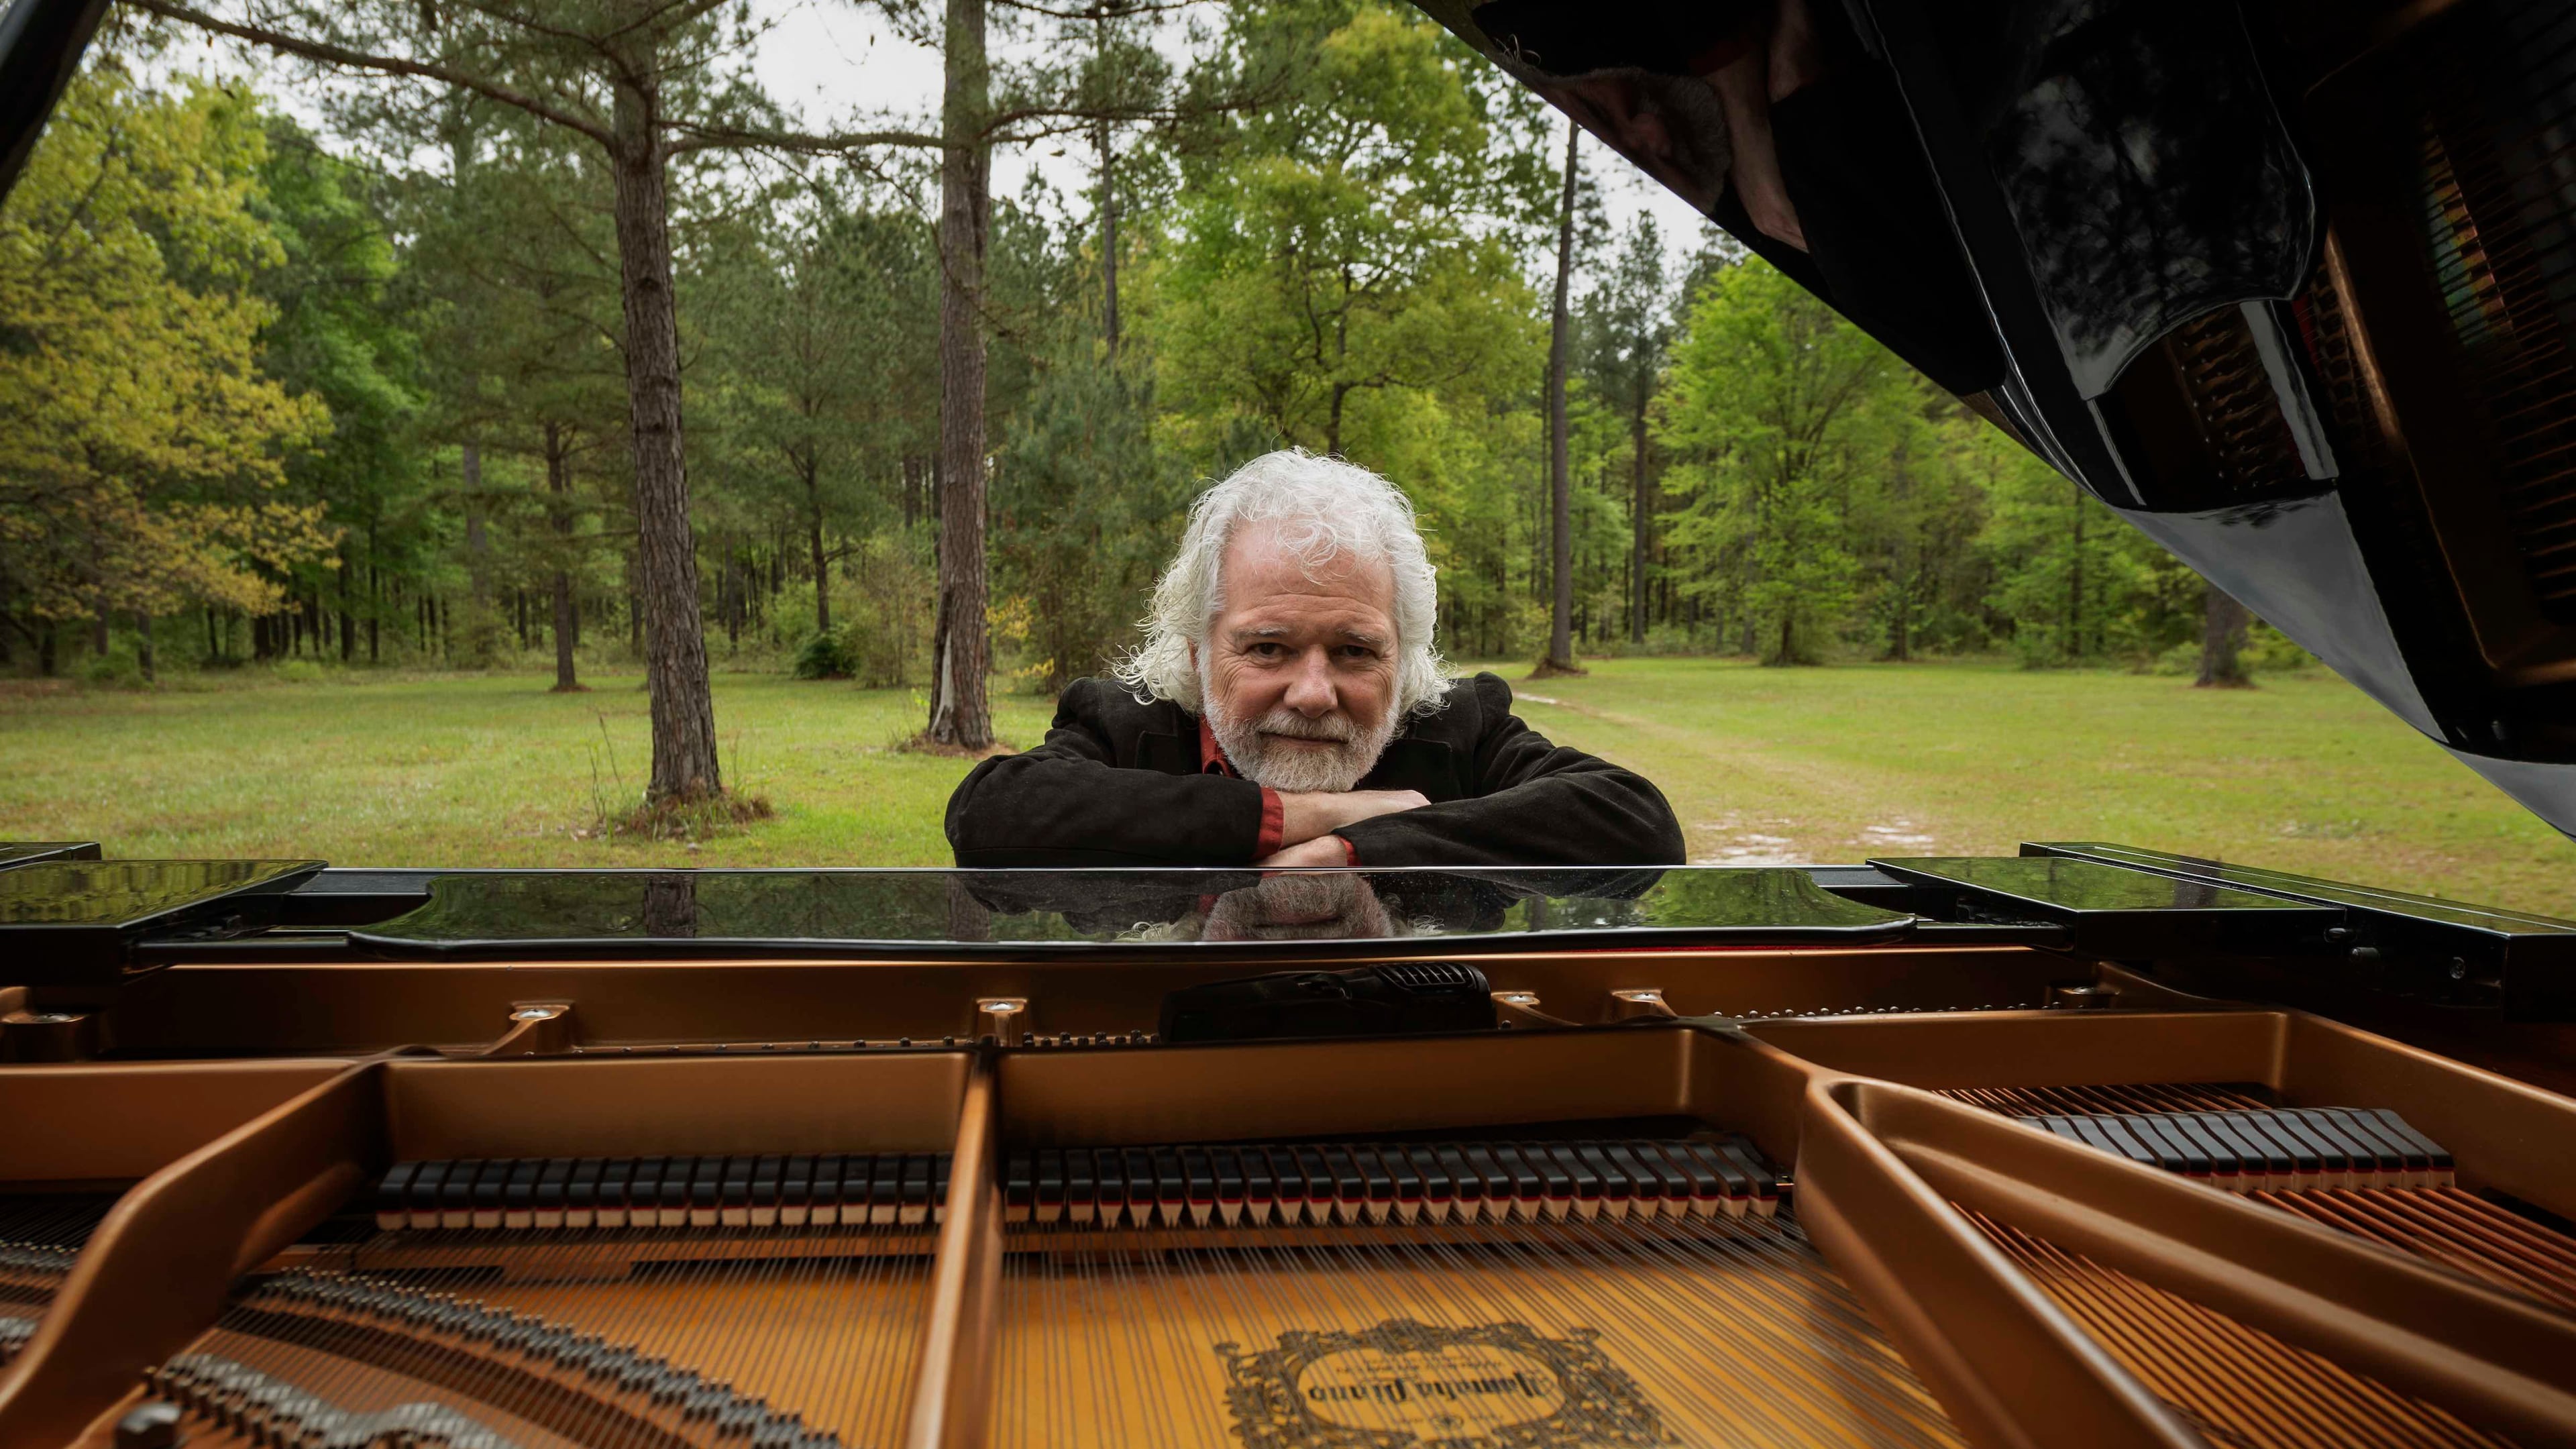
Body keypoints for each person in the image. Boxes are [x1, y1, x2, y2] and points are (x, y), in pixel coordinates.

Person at [945, 450, 1686, 869]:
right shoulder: (1122, 724)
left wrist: (1356, 848)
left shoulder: (1458, 727)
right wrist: (1295, 815)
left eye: (1355, 652)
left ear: (1404, 661)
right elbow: (991, 814)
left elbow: (1637, 825)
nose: (1312, 692)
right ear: (1199, 651)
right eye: (1268, 647)